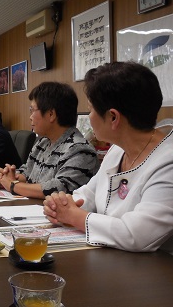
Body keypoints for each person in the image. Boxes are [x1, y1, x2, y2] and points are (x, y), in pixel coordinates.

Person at [43, 61, 173, 254]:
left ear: (113, 117)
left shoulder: (167, 161)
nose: (89, 117)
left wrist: (74, 216)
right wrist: (60, 204)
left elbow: (137, 235)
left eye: (91, 109)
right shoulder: (118, 150)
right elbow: (89, 193)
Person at [0, 82, 100, 199]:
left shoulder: (80, 149)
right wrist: (13, 176)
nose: (30, 117)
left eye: (32, 110)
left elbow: (60, 188)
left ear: (51, 114)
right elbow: (27, 171)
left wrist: (13, 185)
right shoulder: (42, 142)